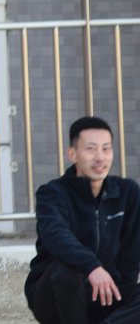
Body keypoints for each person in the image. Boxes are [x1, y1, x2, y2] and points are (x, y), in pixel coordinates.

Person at [25, 115, 140, 324]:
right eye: (91, 149)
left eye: (106, 149)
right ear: (72, 154)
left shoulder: (128, 192)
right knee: (68, 269)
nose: (100, 157)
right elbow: (55, 235)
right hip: (56, 296)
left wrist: (121, 296)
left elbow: (131, 255)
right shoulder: (52, 193)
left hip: (103, 295)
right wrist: (92, 266)